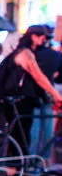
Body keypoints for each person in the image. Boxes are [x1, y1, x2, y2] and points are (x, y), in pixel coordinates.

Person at [0, 25, 62, 162]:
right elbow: (38, 76)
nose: (44, 41)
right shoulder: (25, 53)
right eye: (42, 38)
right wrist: (56, 95)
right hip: (18, 100)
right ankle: (15, 168)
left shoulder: (19, 51)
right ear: (34, 36)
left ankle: (16, 168)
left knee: (20, 134)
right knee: (21, 134)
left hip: (12, 98)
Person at [30, 26, 62, 158]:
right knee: (48, 126)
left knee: (35, 126)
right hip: (49, 92)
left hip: (34, 92)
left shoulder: (33, 54)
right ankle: (45, 158)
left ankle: (32, 157)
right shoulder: (56, 55)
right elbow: (57, 74)